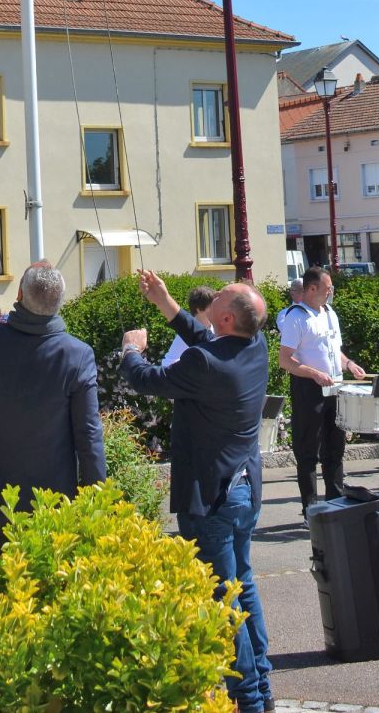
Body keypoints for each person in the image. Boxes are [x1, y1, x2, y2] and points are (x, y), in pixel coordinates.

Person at [120, 272, 275, 713]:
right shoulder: (254, 344)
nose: (213, 297)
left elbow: (148, 379)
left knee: (223, 599)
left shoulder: (204, 364)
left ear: (225, 318)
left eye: (220, 298)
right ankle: (263, 688)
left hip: (212, 498)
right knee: (242, 587)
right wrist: (165, 303)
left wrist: (130, 349)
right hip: (243, 489)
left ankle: (248, 699)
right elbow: (204, 338)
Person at [0, 261, 106, 552]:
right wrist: (96, 502)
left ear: (19, 294)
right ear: (59, 302)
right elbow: (89, 435)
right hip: (53, 505)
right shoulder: (78, 356)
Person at [278, 266, 366, 519]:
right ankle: (311, 509)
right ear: (312, 288)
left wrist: (349, 364)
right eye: (327, 288)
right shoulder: (296, 317)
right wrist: (314, 374)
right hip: (309, 389)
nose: (331, 292)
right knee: (308, 451)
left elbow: (334, 351)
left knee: (335, 448)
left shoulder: (329, 313)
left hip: (334, 387)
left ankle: (335, 503)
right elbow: (285, 360)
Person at [163, 286, 215, 366]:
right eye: (212, 306)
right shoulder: (185, 333)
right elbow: (168, 363)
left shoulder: (215, 329)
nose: (217, 309)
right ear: (199, 309)